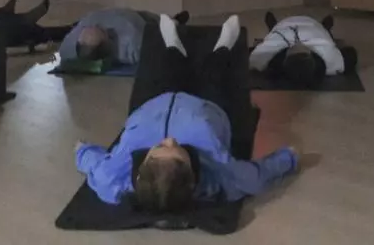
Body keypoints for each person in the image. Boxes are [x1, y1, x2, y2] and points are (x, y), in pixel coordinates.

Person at [74, 14, 299, 210]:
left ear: (140, 170)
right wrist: (288, 158)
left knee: (166, 68)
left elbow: (95, 165)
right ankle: (224, 45)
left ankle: (173, 44)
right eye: (177, 149)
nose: (170, 140)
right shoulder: (217, 170)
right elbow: (255, 178)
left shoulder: (114, 178)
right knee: (214, 73)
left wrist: (81, 151)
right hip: (207, 107)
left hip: (154, 105)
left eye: (159, 148)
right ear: (193, 176)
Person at [249, 12, 358, 89]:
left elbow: (250, 56)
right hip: (315, 26)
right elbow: (351, 54)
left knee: (273, 34)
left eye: (294, 48)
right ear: (311, 55)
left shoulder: (266, 55)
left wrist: (261, 47)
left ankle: (272, 26)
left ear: (285, 57)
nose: (298, 43)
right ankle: (325, 27)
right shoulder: (329, 58)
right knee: (325, 33)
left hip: (282, 26)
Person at [58, 8, 189, 65]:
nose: (98, 25)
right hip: (133, 19)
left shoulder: (133, 39)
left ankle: (175, 21)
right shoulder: (132, 45)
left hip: (134, 17)